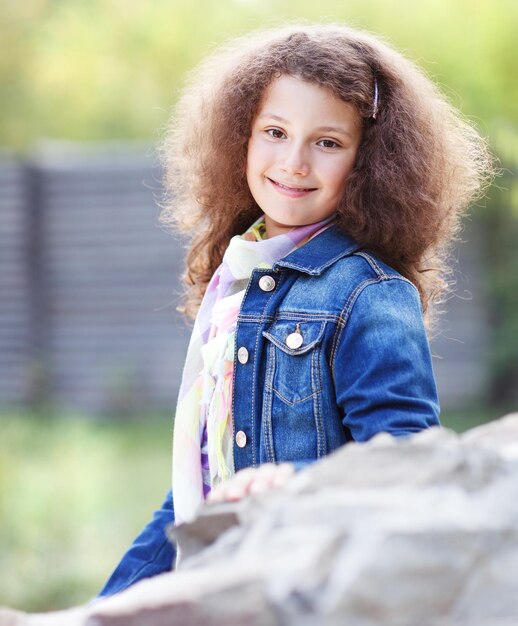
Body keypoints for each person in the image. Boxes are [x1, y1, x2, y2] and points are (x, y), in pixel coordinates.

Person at [98, 23, 492, 596]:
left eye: (328, 142)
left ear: (370, 162)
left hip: (314, 591)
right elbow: (206, 486)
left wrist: (293, 484)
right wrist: (111, 602)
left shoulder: (368, 293)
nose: (295, 162)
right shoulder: (238, 282)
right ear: (241, 138)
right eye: (275, 132)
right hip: (233, 581)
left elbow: (411, 470)